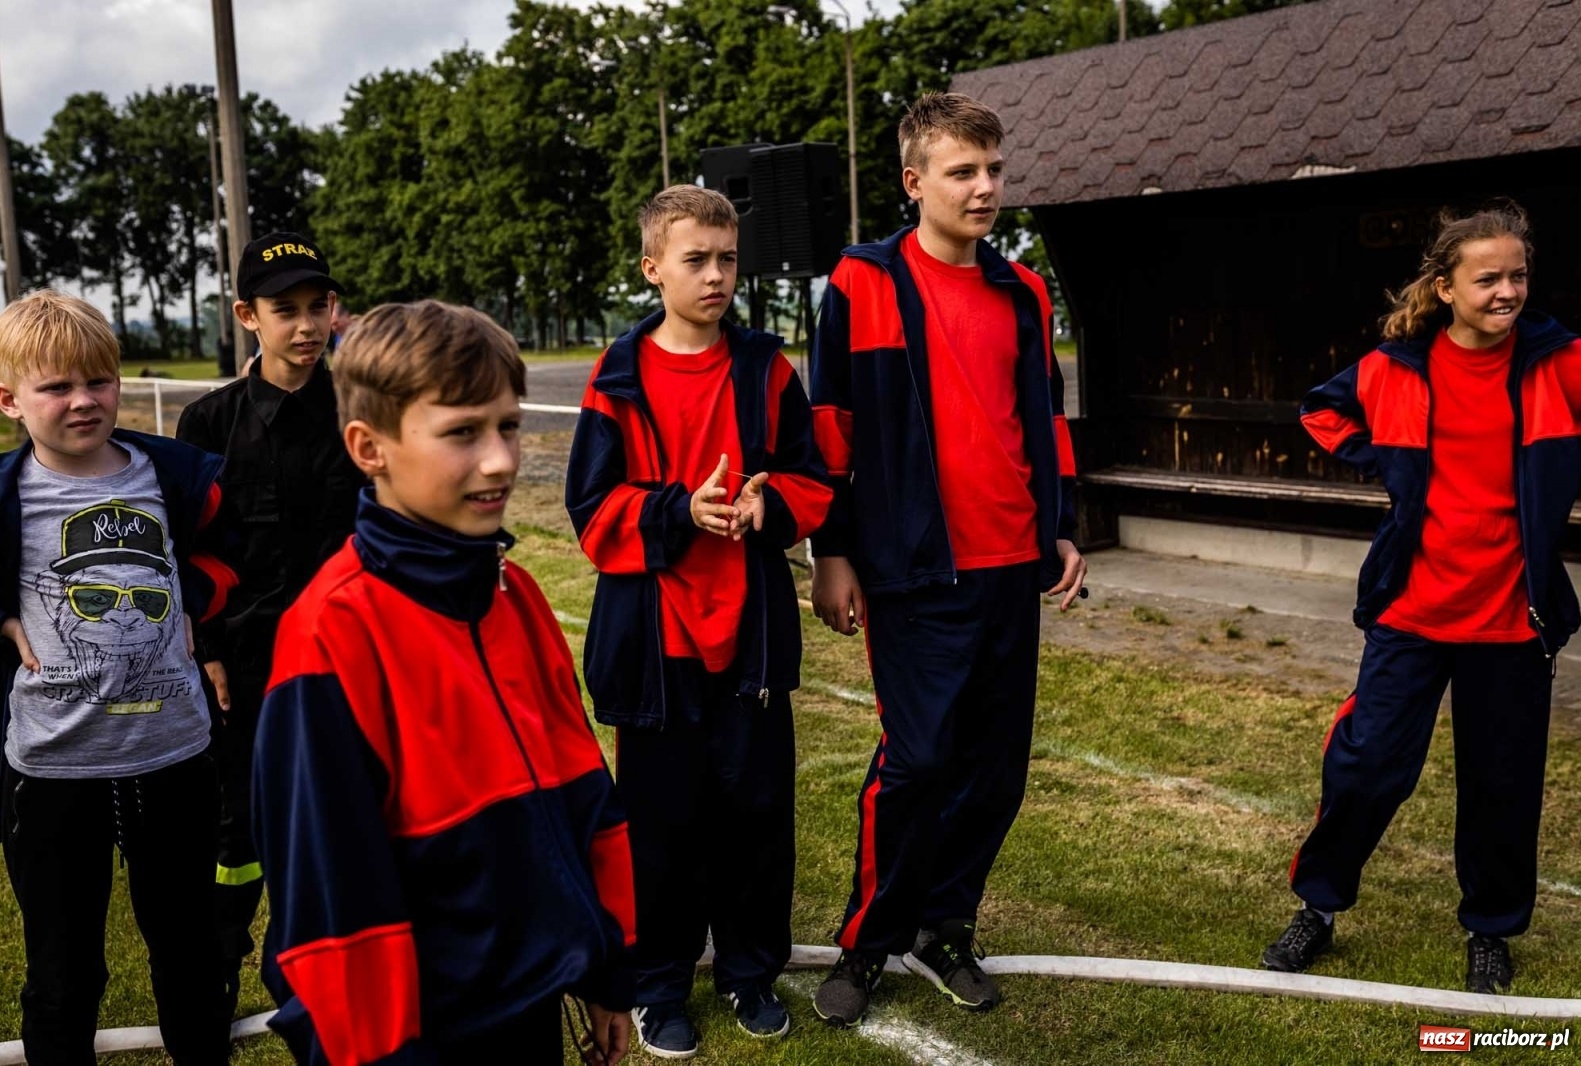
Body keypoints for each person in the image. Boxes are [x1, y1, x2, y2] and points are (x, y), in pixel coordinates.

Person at [252, 300, 633, 1066]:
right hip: (425, 1037)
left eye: (508, 426)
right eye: (462, 433)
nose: (500, 461)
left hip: (533, 1001)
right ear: (369, 447)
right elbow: (334, 908)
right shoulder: (331, 634)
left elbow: (583, 792)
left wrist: (604, 970)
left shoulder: (516, 596)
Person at [807, 91, 1086, 1028]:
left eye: (994, 170)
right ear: (913, 181)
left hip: (1011, 565)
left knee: (994, 773)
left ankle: (945, 928)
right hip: (912, 567)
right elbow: (831, 425)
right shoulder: (862, 280)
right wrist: (831, 551)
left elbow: (1047, 418)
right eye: (962, 171)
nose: (984, 188)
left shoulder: (1023, 290)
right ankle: (866, 943)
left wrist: (1062, 525)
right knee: (918, 761)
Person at [1267, 201, 1581, 995]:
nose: (1507, 291)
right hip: (1412, 612)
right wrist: (1386, 458)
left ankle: (1491, 930)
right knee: (1367, 766)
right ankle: (1319, 907)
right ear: (1445, 287)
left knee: (1503, 786)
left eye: (1518, 276)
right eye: (1488, 279)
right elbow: (1321, 409)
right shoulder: (1395, 367)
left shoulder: (1560, 361)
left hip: (1512, 619)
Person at [565, 184, 832, 1058]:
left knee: (756, 819)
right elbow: (591, 514)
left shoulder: (767, 369)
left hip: (750, 639)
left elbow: (812, 480)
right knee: (660, 828)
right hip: (655, 647)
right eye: (696, 260)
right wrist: (680, 510)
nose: (716, 275)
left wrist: (767, 503)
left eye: (727, 259)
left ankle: (751, 974)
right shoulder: (616, 376)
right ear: (653, 268)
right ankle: (659, 986)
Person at [0, 290, 238, 1065]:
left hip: (174, 756)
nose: (83, 400)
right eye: (56, 386)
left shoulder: (176, 474)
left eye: (99, 380)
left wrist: (196, 602)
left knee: (193, 960)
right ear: (9, 401)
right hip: (52, 769)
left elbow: (223, 556)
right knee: (62, 976)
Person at [174, 230, 367, 1020]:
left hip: (345, 662)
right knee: (238, 831)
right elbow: (186, 554)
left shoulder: (363, 413)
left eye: (319, 305)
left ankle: (314, 974)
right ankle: (220, 968)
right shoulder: (207, 424)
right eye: (285, 310)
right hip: (244, 671)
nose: (307, 325)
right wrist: (210, 652)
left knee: (337, 818)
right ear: (246, 315)